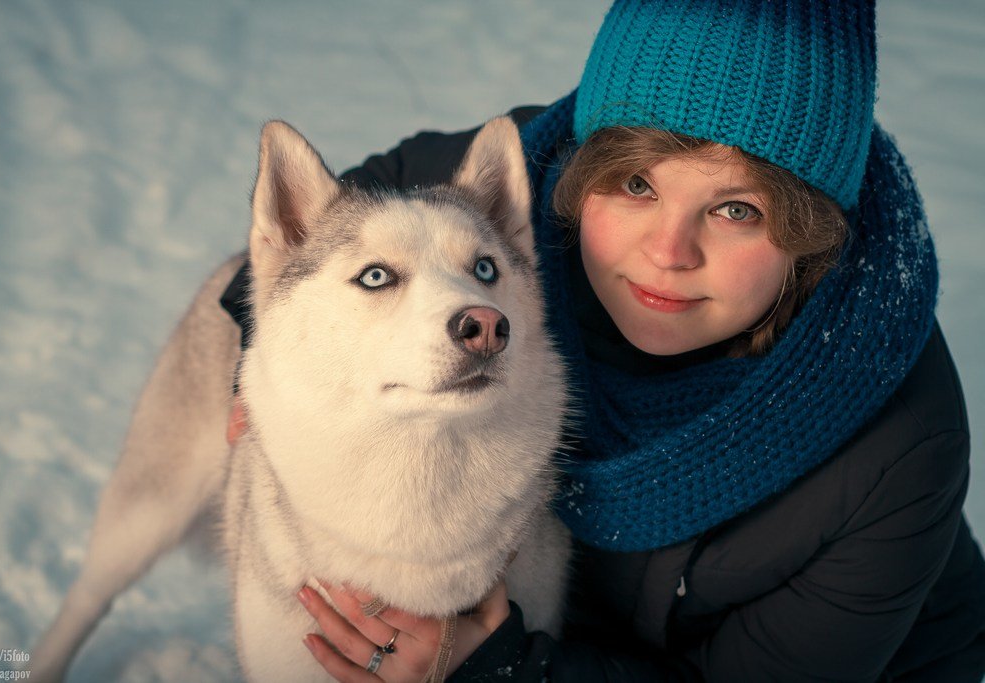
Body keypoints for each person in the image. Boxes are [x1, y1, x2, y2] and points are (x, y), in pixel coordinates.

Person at [220, 0, 985, 680]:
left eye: (737, 210)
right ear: (585, 171)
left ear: (809, 238)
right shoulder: (521, 186)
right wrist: (269, 359)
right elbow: (359, 206)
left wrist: (500, 666)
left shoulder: (897, 446)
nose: (669, 251)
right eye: (638, 186)